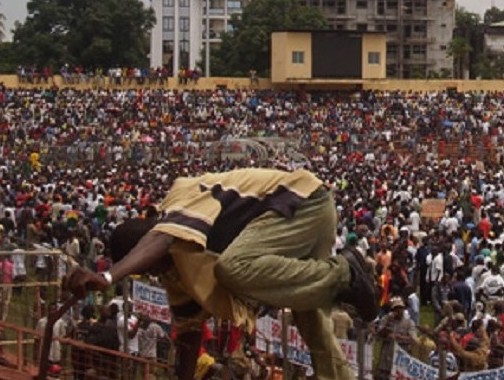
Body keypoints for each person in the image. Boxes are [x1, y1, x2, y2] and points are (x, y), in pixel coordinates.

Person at [64, 168, 378, 380]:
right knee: (311, 322)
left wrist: (107, 277)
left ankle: (344, 272)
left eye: (148, 268)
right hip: (296, 225)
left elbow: (162, 238)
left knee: (231, 269)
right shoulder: (180, 272)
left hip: (302, 204)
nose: (156, 275)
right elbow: (189, 334)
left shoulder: (179, 203)